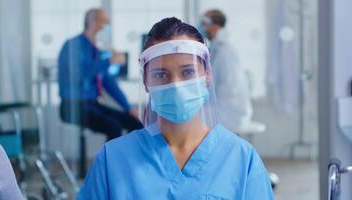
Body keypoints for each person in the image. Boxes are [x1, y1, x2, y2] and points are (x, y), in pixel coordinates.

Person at [76, 17, 274, 199]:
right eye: (161, 75)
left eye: (188, 72)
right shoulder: (112, 161)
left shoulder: (241, 159)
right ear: (146, 81)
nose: (177, 86)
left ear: (207, 75)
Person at [58, 8, 142, 140]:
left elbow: (109, 82)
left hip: (92, 104)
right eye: (105, 22)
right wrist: (108, 61)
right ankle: (108, 161)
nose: (108, 27)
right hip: (72, 105)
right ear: (92, 23)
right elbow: (79, 75)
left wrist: (128, 108)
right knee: (113, 127)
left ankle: (129, 159)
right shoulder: (72, 46)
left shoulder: (98, 50)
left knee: (136, 123)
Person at [199, 9, 253, 130]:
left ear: (216, 26)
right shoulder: (216, 49)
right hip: (223, 109)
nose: (201, 26)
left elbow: (225, 87)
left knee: (186, 120)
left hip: (229, 113)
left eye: (205, 22)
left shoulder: (225, 52)